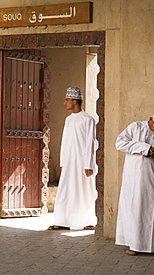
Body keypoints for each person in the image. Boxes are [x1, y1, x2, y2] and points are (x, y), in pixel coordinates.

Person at [115, 110, 154, 256]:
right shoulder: (135, 127)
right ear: (150, 119)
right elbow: (120, 143)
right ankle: (132, 245)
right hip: (133, 177)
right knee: (134, 208)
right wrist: (145, 148)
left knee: (152, 210)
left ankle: (151, 246)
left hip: (151, 178)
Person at [48, 86, 98, 230]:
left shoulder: (88, 119)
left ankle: (87, 221)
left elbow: (90, 142)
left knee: (83, 191)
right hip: (69, 162)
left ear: (75, 101)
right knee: (66, 190)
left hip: (83, 162)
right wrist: (63, 162)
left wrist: (88, 164)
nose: (65, 103)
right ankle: (61, 221)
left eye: (67, 100)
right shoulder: (68, 119)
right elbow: (65, 141)